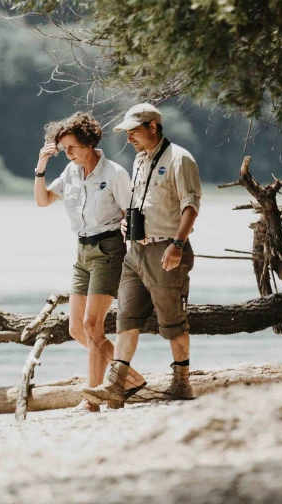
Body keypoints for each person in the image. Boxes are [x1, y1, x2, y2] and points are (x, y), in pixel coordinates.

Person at [80, 103, 203, 407]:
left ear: (152, 127)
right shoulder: (138, 161)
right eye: (126, 132)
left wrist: (178, 244)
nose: (129, 137)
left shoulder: (180, 159)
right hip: (135, 252)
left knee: (172, 322)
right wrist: (126, 223)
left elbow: (191, 206)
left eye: (133, 131)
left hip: (167, 250)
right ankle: (115, 386)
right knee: (126, 319)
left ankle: (181, 384)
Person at [34, 112, 144, 412]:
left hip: (109, 249)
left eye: (71, 147)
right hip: (82, 252)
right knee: (77, 329)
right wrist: (41, 167)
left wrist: (133, 244)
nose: (67, 154)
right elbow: (43, 200)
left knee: (92, 326)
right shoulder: (70, 172)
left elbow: (134, 211)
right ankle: (127, 380)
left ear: (89, 143)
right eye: (63, 149)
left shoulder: (114, 174)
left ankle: (93, 398)